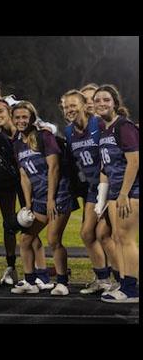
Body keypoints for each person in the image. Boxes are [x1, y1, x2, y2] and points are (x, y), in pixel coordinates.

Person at [10, 101, 78, 295]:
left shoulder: (44, 136)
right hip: (38, 198)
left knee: (53, 239)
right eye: (17, 117)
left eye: (25, 117)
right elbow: (24, 176)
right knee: (25, 239)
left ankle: (63, 283)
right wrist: (28, 204)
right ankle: (30, 281)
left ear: (32, 118)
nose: (21, 120)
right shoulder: (16, 144)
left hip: (59, 194)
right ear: (13, 119)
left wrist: (50, 199)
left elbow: (54, 168)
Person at [0, 99, 50, 287]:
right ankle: (39, 274)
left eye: (1, 111)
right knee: (26, 228)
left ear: (9, 112)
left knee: (33, 230)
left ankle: (42, 274)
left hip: (36, 185)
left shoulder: (27, 132)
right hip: (20, 183)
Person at [61, 89, 117, 294]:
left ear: (85, 105)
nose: (70, 110)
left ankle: (123, 280)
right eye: (66, 107)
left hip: (111, 186)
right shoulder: (68, 131)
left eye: (73, 105)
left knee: (105, 234)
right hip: (93, 188)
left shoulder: (99, 124)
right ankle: (103, 279)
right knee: (86, 233)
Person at [94, 85, 139, 304]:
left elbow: (135, 161)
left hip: (129, 192)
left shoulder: (124, 126)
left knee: (127, 240)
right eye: (98, 100)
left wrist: (123, 193)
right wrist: (103, 198)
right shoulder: (106, 129)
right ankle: (124, 283)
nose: (102, 103)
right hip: (115, 192)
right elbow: (106, 166)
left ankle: (132, 290)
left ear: (115, 103)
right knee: (118, 238)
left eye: (106, 100)